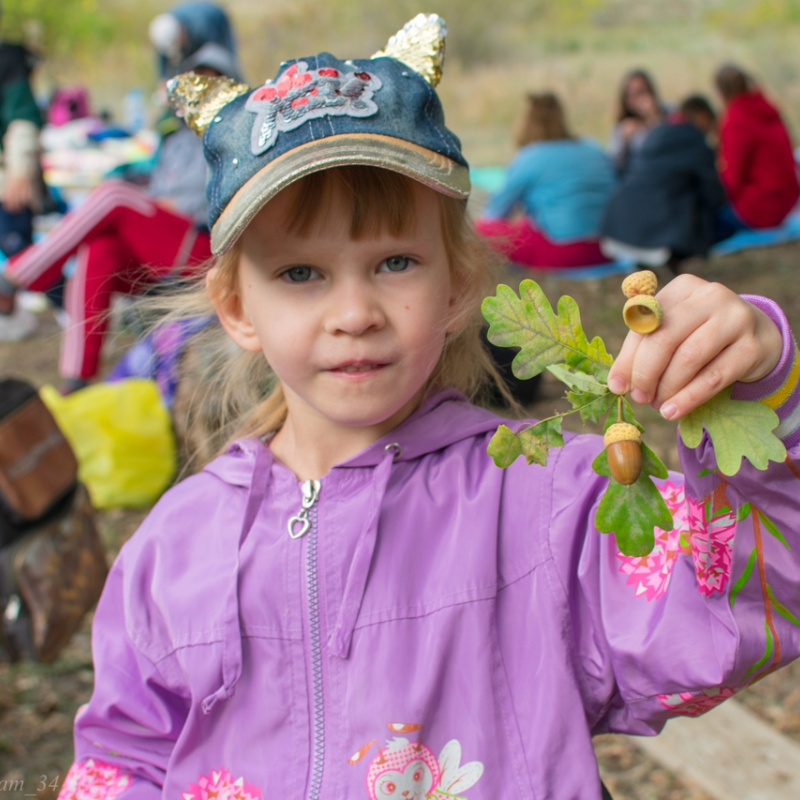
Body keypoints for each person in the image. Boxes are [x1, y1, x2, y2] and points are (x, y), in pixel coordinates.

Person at [55, 15, 800, 800]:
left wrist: (752, 388)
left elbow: (754, 593)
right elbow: (121, 761)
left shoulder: (550, 505)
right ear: (236, 304)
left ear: (457, 282)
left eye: (395, 262)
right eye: (301, 273)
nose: (355, 311)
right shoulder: (174, 548)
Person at [0, 43, 242, 392]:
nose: (203, 91)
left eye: (213, 81)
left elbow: (230, 204)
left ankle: (15, 278)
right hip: (162, 245)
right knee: (100, 250)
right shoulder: (174, 139)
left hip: (206, 248)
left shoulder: (234, 138)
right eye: (196, 82)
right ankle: (77, 380)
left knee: (113, 196)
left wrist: (175, 209)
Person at [475, 92, 616, 269]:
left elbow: (495, 214)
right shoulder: (593, 147)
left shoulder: (531, 155)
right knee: (527, 224)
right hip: (607, 249)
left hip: (564, 252)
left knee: (479, 231)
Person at [600, 95, 727, 268]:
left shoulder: (656, 133)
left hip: (616, 228)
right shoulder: (696, 141)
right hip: (659, 237)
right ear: (703, 116)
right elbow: (714, 195)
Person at [713, 63, 800, 237]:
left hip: (762, 209)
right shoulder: (768, 108)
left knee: (710, 220)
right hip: (789, 200)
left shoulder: (735, 119)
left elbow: (732, 176)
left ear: (721, 92)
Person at [0, 27, 45, 340]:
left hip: (8, 180)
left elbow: (23, 120)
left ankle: (73, 307)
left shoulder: (7, 60)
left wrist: (18, 172)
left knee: (26, 257)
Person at [149, 0, 242, 80]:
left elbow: (213, 57)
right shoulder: (164, 32)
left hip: (217, 21)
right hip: (194, 22)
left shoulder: (201, 28)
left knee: (226, 63)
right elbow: (164, 65)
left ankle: (239, 89)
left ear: (182, 33)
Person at [609, 68, 669, 173]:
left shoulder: (667, 112)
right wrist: (623, 143)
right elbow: (613, 166)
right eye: (630, 94)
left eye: (640, 92)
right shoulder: (623, 127)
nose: (636, 99)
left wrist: (654, 119)